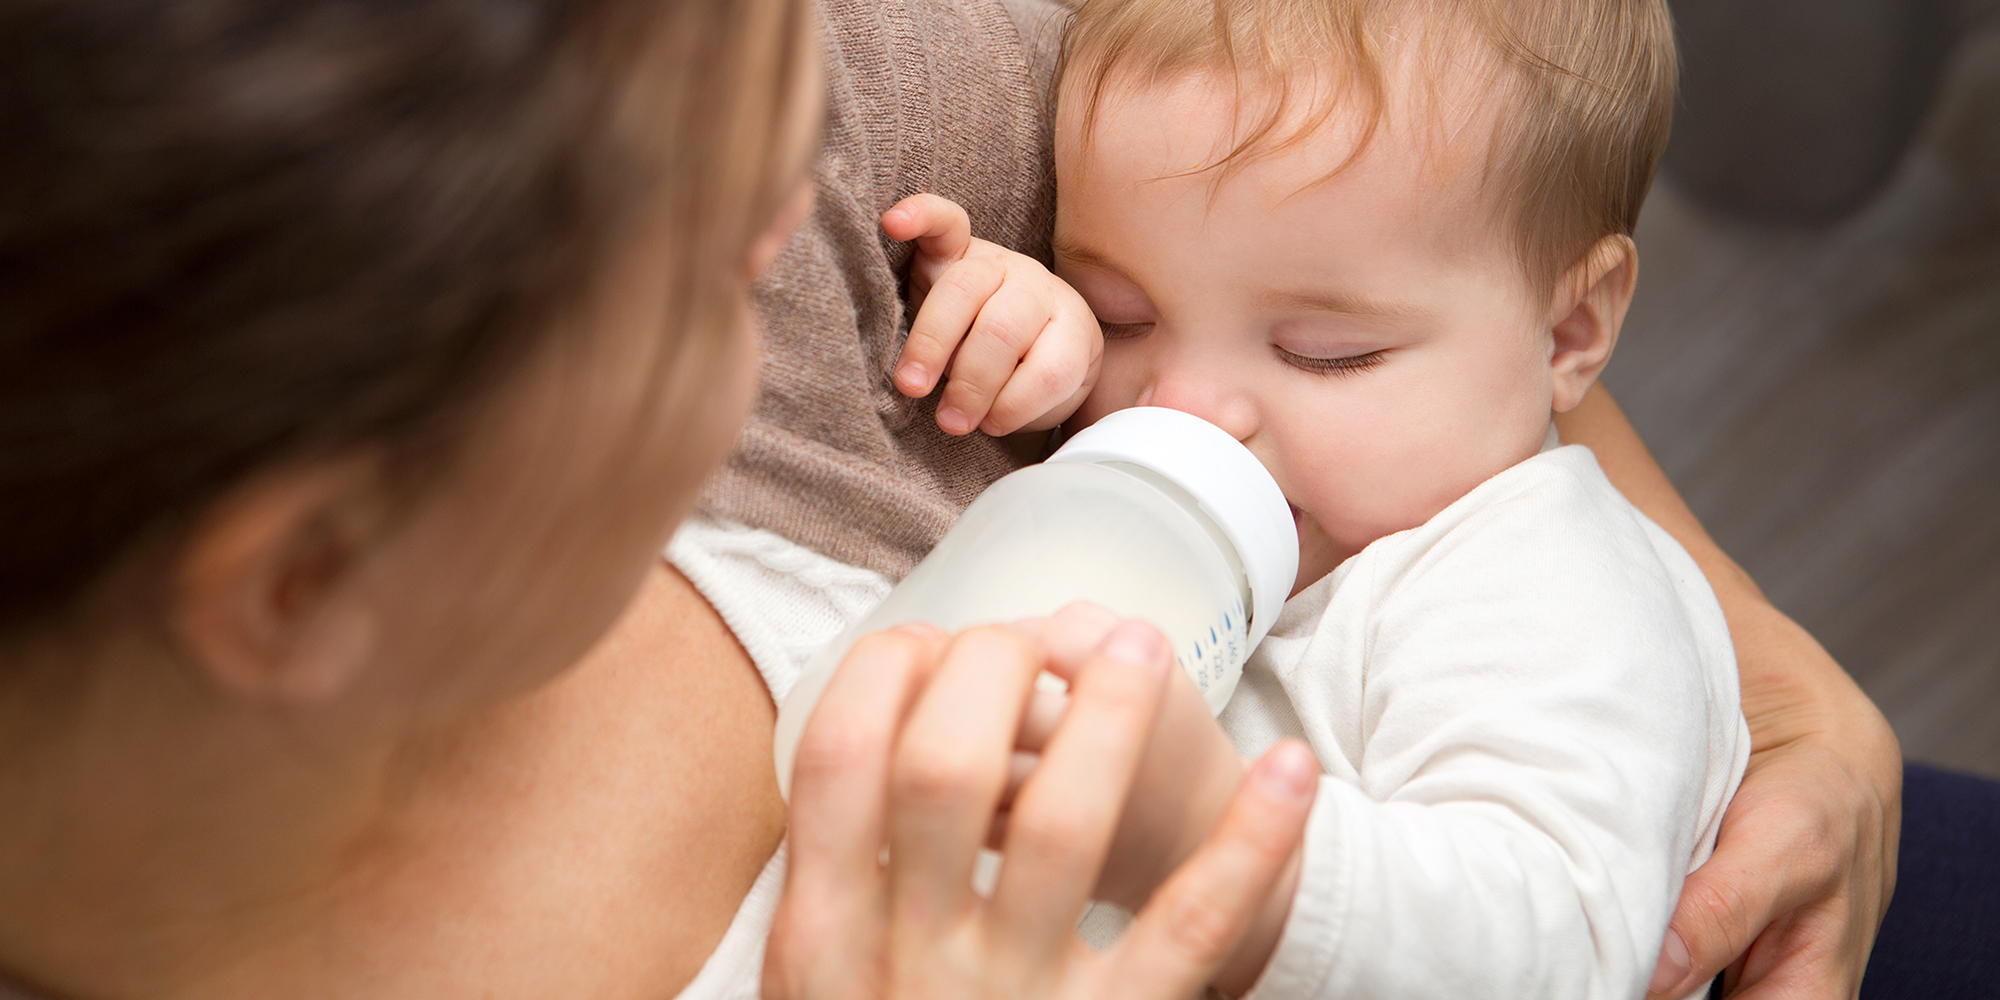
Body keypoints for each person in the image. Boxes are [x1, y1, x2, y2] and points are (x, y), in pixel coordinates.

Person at [0, 0, 1316, 997]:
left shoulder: (731, 93)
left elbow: (1399, 125)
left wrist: (1142, 327)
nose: (793, 226)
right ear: (310, 580)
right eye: (708, 267)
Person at [668, 1, 1906, 999]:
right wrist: (1023, 330)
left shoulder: (1542, 591)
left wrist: (1225, 852)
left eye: (1323, 351)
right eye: (1124, 309)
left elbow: (1570, 945)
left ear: (1569, 331)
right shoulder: (1214, 478)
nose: (1190, 410)